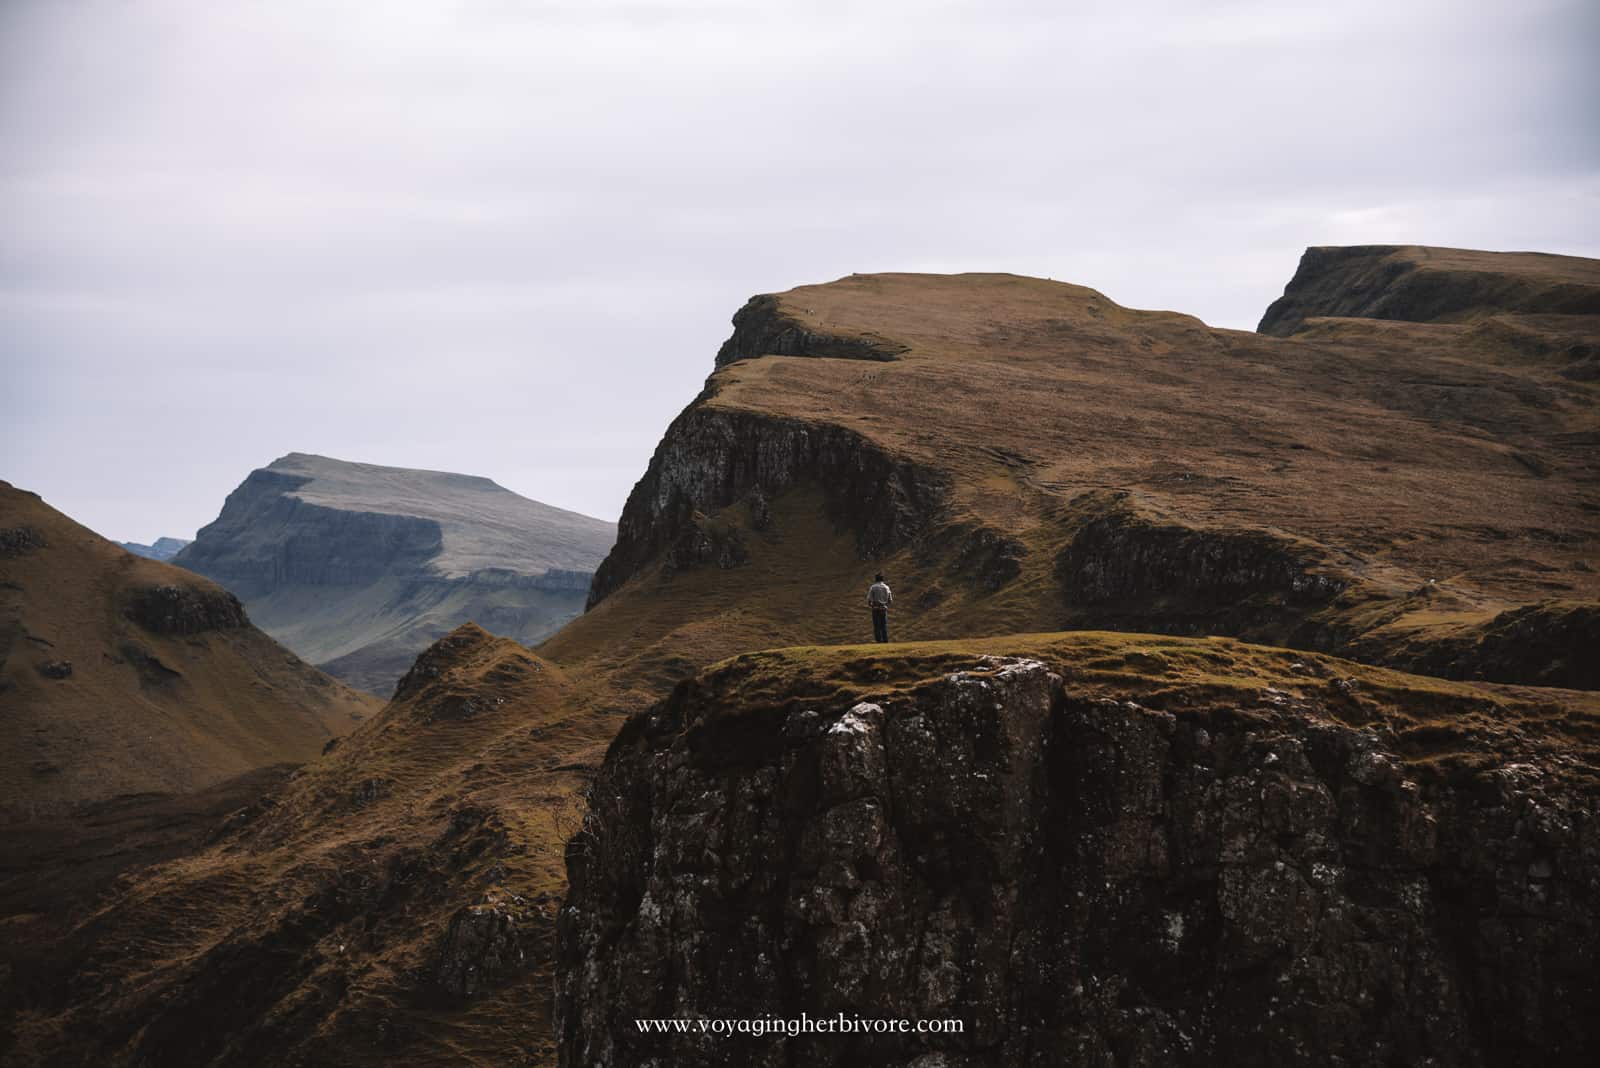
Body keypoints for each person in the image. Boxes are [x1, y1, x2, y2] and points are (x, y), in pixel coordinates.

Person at [866, 573, 893, 643]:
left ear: (875, 579)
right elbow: (890, 600)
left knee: (876, 626)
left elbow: (869, 600)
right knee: (883, 625)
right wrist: (884, 604)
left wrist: (872, 606)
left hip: (875, 608)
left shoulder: (873, 587)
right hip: (883, 608)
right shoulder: (887, 587)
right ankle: (885, 640)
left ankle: (878, 641)